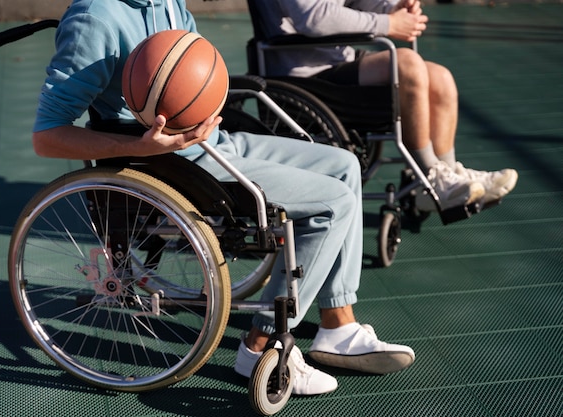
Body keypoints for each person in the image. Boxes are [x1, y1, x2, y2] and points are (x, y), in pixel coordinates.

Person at [32, 0, 415, 396]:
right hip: (175, 164)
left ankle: (337, 324)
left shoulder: (169, 3)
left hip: (217, 143)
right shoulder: (96, 19)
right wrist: (144, 147)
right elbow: (46, 136)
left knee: (344, 165)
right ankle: (261, 346)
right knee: (335, 202)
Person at [254, 0, 518, 211]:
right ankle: (431, 179)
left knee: (441, 78)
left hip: (334, 61)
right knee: (407, 65)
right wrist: (388, 22)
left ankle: (446, 178)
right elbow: (312, 17)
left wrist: (392, 7)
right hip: (298, 76)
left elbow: (356, 3)